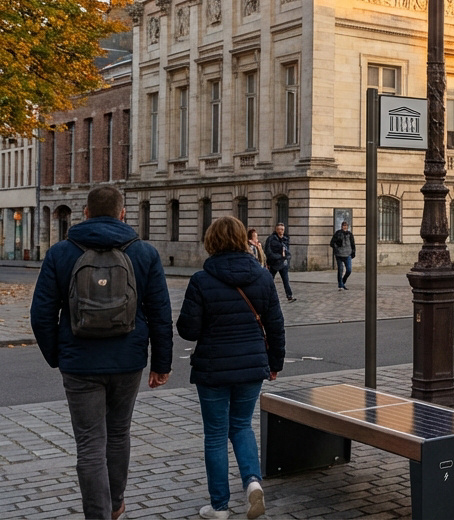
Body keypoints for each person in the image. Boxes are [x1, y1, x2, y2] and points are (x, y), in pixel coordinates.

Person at [29, 185, 173, 520]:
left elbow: (41, 314)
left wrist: (58, 355)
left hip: (79, 363)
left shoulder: (61, 253)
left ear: (86, 214)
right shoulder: (145, 253)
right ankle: (116, 504)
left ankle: (97, 513)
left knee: (90, 443)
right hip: (128, 360)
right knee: (119, 433)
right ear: (124, 213)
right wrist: (161, 363)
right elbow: (160, 313)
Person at [178, 216, 286, 520]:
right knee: (241, 425)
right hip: (252, 365)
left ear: (211, 241)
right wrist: (275, 363)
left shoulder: (201, 279)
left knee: (215, 434)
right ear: (243, 240)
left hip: (213, 368)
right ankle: (252, 482)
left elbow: (188, 329)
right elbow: (276, 326)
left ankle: (219, 506)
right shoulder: (263, 277)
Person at [263, 223, 295, 302]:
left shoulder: (285, 239)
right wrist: (278, 257)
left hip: (283, 263)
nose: (281, 231)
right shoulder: (271, 239)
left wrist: (287, 258)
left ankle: (289, 296)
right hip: (273, 263)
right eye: (279, 229)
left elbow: (287, 251)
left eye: (282, 229)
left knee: (286, 280)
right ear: (276, 230)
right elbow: (268, 251)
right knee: (270, 280)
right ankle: (266, 295)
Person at [330, 221, 356, 291]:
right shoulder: (338, 233)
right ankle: (340, 285)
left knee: (349, 270)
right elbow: (332, 243)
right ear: (341, 226)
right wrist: (336, 246)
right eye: (344, 226)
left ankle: (343, 282)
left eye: (346, 226)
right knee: (340, 270)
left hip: (348, 254)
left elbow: (353, 244)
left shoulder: (350, 234)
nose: (345, 227)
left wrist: (353, 252)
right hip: (339, 254)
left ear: (347, 227)